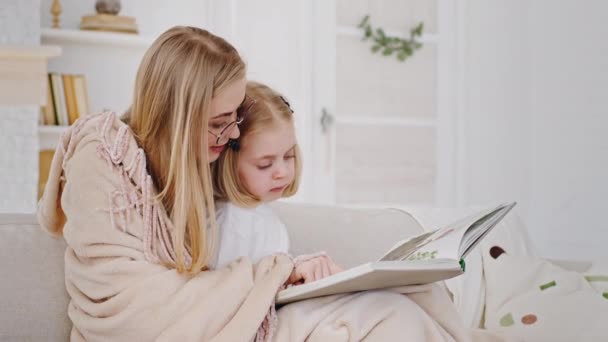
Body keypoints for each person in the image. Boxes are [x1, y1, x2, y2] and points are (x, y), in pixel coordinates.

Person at [37, 25, 493, 341]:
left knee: (410, 298)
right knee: (387, 320)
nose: (233, 134)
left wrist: (290, 276)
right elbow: (130, 314)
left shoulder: (199, 158)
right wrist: (273, 276)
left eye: (235, 118)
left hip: (234, 316)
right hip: (206, 328)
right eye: (219, 121)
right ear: (178, 119)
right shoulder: (104, 156)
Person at [212, 81, 341, 284]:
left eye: (289, 156)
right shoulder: (233, 222)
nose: (282, 172)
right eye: (265, 164)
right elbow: (229, 290)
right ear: (229, 165)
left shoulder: (261, 216)